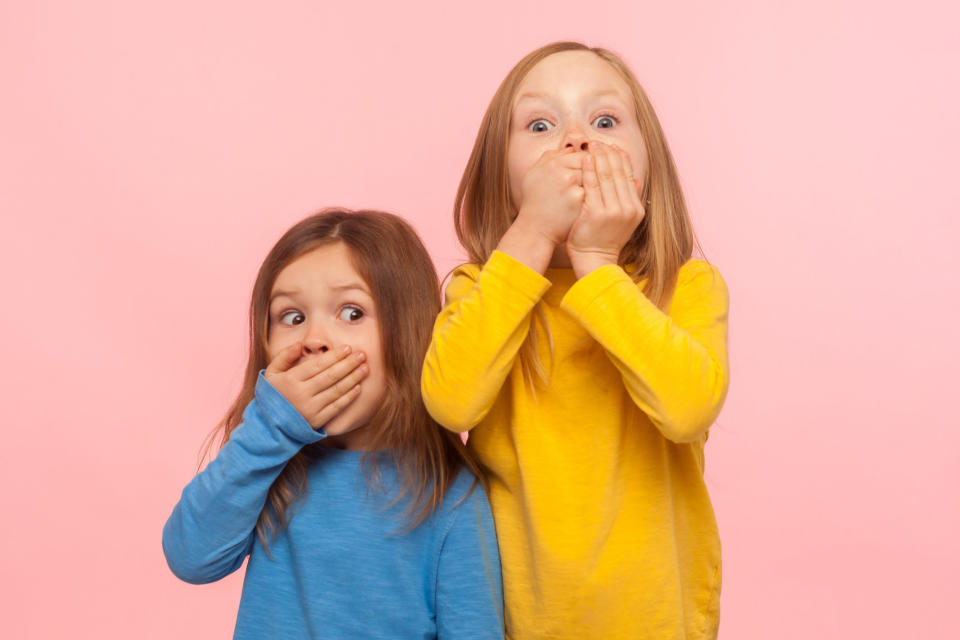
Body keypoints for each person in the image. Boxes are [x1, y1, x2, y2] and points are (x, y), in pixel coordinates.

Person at [422, 42, 730, 639]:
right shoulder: (481, 289)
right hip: (512, 621)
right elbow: (450, 401)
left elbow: (689, 409)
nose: (575, 140)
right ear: (499, 173)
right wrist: (533, 233)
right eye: (540, 124)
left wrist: (594, 260)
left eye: (605, 121)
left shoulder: (685, 285)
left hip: (658, 621)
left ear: (650, 167)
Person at [164, 209, 504, 639]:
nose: (313, 339)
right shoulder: (269, 464)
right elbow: (190, 558)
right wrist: (271, 428)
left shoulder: (449, 497)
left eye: (352, 313)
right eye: (292, 317)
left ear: (409, 331)